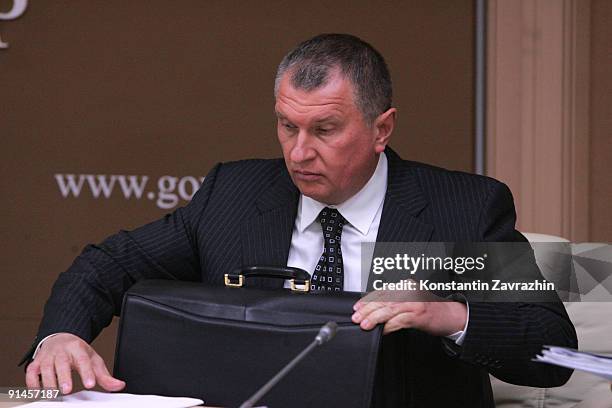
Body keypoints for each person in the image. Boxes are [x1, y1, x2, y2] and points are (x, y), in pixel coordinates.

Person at [22, 33, 577, 406]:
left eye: (325, 130)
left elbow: (553, 350)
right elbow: (107, 263)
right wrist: (59, 335)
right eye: (288, 126)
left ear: (382, 129)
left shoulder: (461, 210)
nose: (299, 153)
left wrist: (449, 313)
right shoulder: (235, 195)